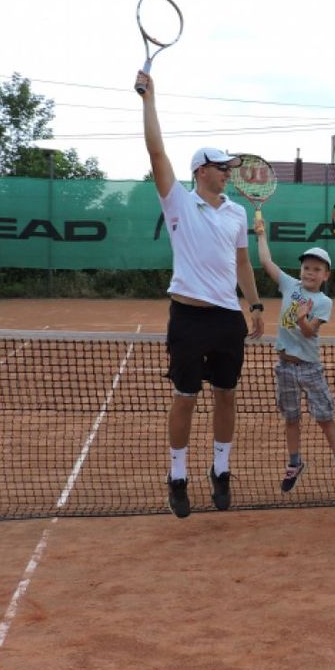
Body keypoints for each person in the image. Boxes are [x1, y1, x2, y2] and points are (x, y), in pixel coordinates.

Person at [136, 69, 264, 519]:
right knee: (186, 397)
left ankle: (221, 470)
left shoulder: (236, 213)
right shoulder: (177, 200)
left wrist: (255, 304)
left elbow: (243, 264)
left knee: (226, 395)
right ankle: (177, 476)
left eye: (230, 167)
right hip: (188, 319)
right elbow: (156, 150)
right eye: (223, 166)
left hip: (227, 319)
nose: (230, 172)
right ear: (201, 170)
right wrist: (149, 99)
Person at [254, 220, 335, 495]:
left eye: (317, 269)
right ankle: (295, 462)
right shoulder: (290, 285)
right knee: (291, 418)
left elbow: (309, 333)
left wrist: (300, 318)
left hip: (310, 368)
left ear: (326, 275)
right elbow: (266, 262)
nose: (310, 272)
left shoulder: (324, 302)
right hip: (284, 366)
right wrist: (261, 235)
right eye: (307, 267)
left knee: (324, 417)